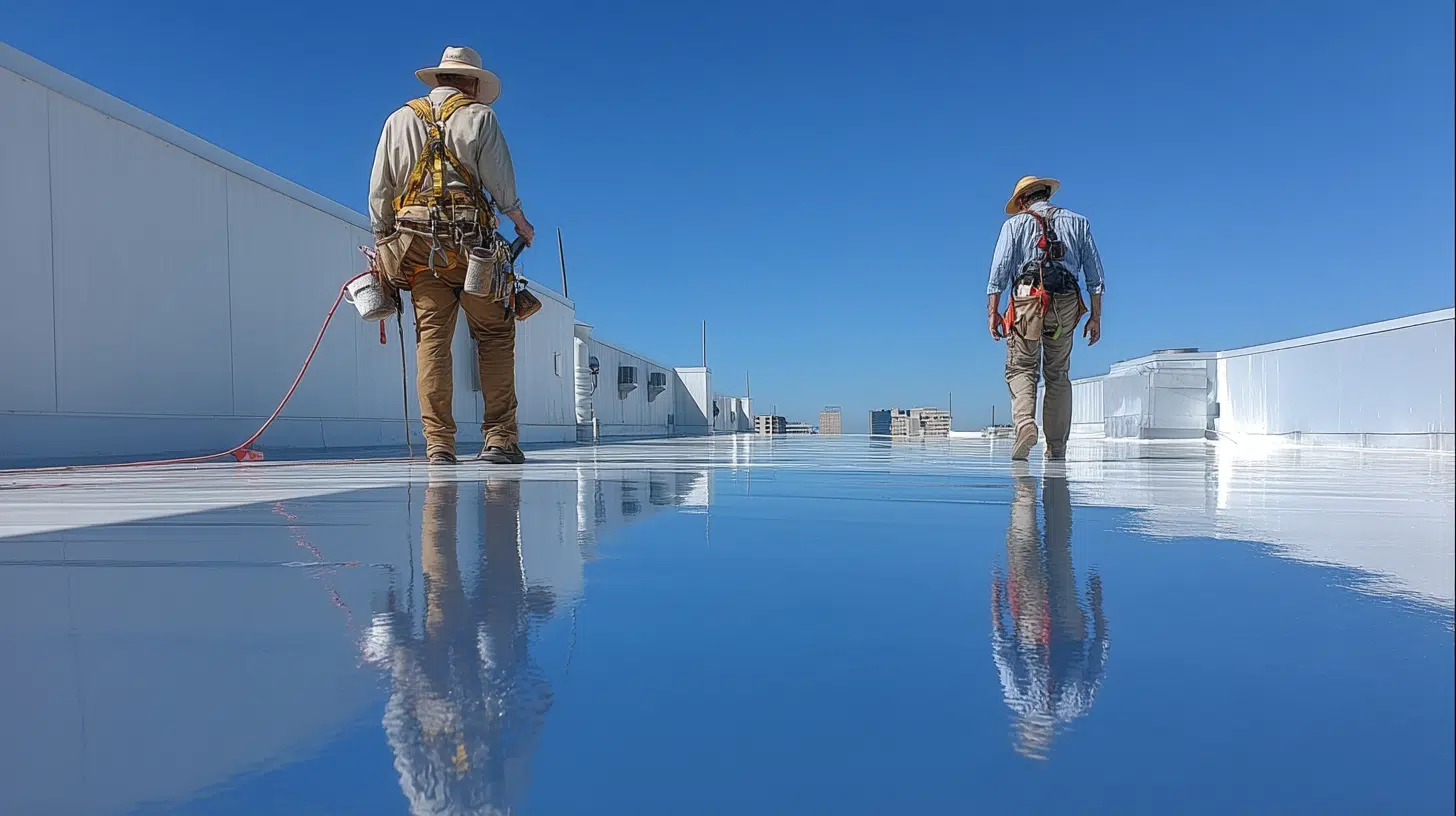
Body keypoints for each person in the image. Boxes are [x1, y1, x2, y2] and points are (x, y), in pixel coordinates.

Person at [369, 46, 535, 465]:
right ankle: (499, 439)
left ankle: (439, 444)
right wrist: (520, 222)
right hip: (471, 246)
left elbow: (380, 192)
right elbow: (500, 182)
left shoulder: (398, 119)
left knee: (432, 341)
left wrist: (383, 247)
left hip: (416, 248)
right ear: (472, 83)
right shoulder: (480, 116)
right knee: (494, 336)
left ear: (439, 78)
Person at [986, 176, 1105, 460]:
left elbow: (999, 272)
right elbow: (1095, 277)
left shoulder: (1014, 225)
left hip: (1027, 299)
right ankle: (1057, 447)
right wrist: (1096, 316)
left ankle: (1025, 424)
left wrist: (993, 312)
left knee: (1021, 367)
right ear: (1046, 195)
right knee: (1058, 374)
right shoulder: (1079, 223)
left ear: (1023, 200)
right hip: (1065, 301)